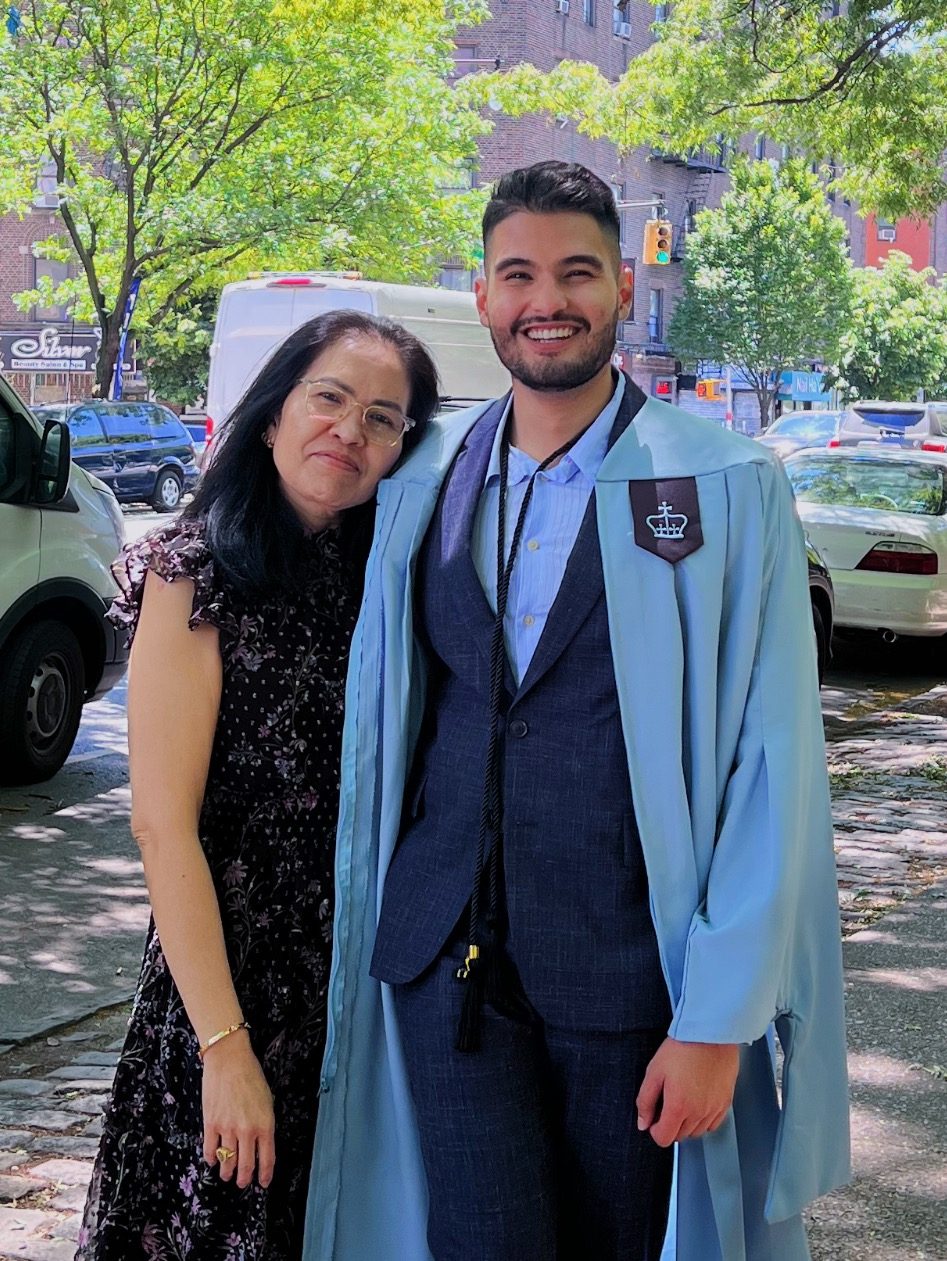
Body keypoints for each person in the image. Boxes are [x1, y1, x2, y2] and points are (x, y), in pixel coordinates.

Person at [303, 161, 850, 1261]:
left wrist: (716, 1017)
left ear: (622, 291)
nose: (542, 299)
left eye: (574, 272)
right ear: (483, 297)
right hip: (440, 961)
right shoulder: (428, 470)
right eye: (516, 273)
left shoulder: (722, 484)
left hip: (634, 977)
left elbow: (771, 760)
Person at [76, 310, 439, 1261]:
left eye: (383, 418)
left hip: (364, 993)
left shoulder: (396, 584)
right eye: (329, 397)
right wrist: (224, 1048)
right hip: (229, 992)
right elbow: (162, 826)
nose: (349, 432)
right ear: (273, 411)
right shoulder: (192, 573)